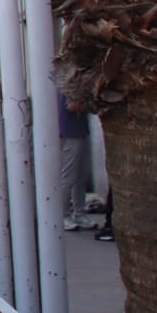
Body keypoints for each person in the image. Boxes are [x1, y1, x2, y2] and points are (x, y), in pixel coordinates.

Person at [59, 91, 94, 230]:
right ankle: (63, 214)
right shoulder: (68, 83)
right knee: (68, 176)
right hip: (70, 132)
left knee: (81, 175)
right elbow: (71, 106)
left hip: (78, 130)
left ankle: (79, 212)